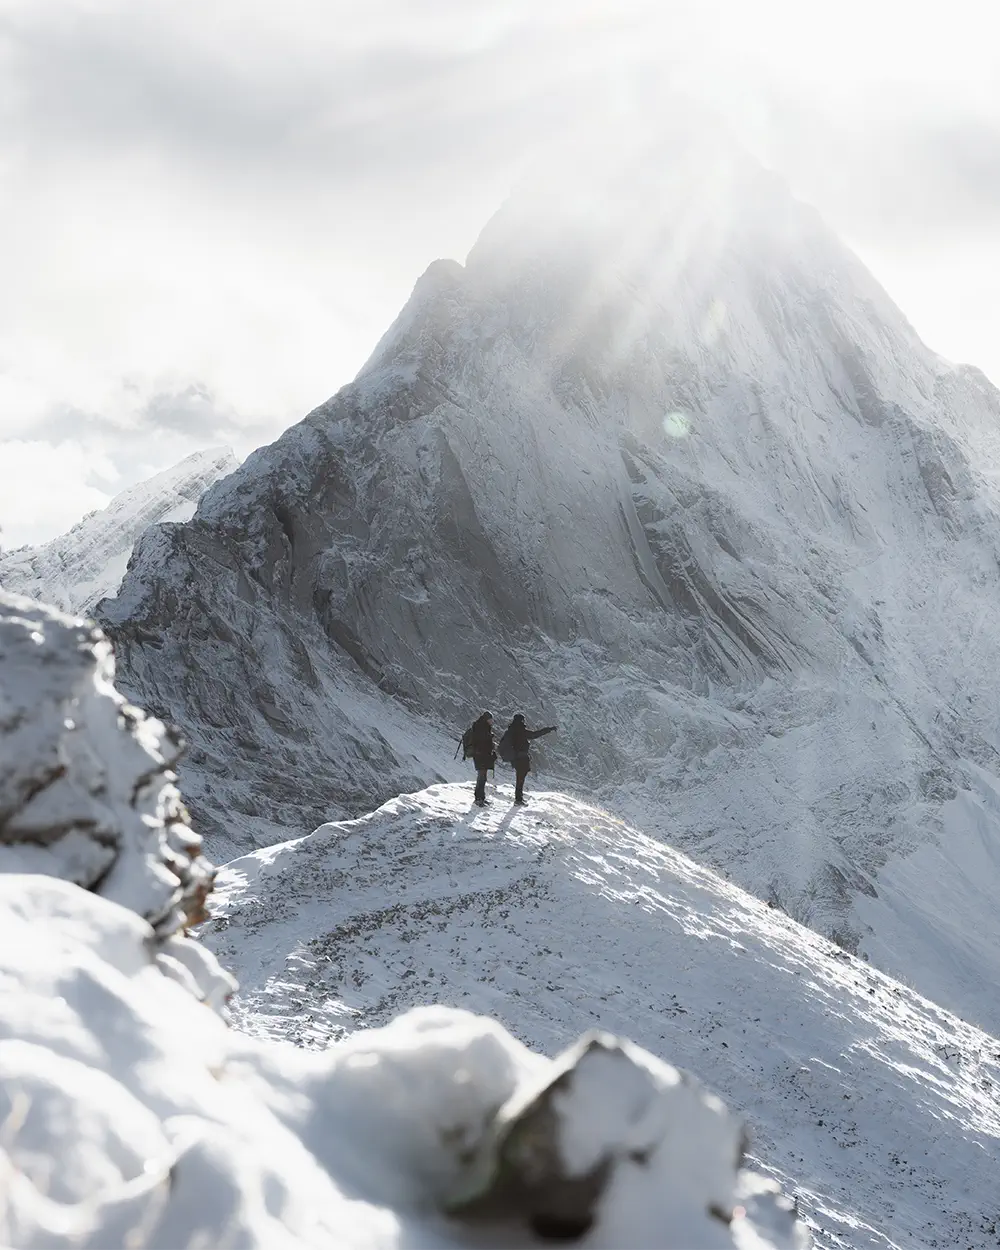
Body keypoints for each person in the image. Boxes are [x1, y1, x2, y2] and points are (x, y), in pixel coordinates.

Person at [500, 713, 556, 805]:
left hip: (515, 758)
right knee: (520, 779)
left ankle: (519, 798)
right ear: (521, 721)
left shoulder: (509, 731)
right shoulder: (521, 731)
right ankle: (518, 799)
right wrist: (549, 729)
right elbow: (535, 734)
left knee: (519, 778)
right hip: (522, 758)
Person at [463, 711, 496, 806]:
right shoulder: (481, 728)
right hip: (481, 756)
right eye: (490, 719)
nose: (491, 721)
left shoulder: (481, 727)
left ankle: (481, 797)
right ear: (486, 719)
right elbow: (482, 743)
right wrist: (490, 740)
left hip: (481, 755)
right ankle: (478, 799)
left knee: (482, 777)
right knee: (481, 777)